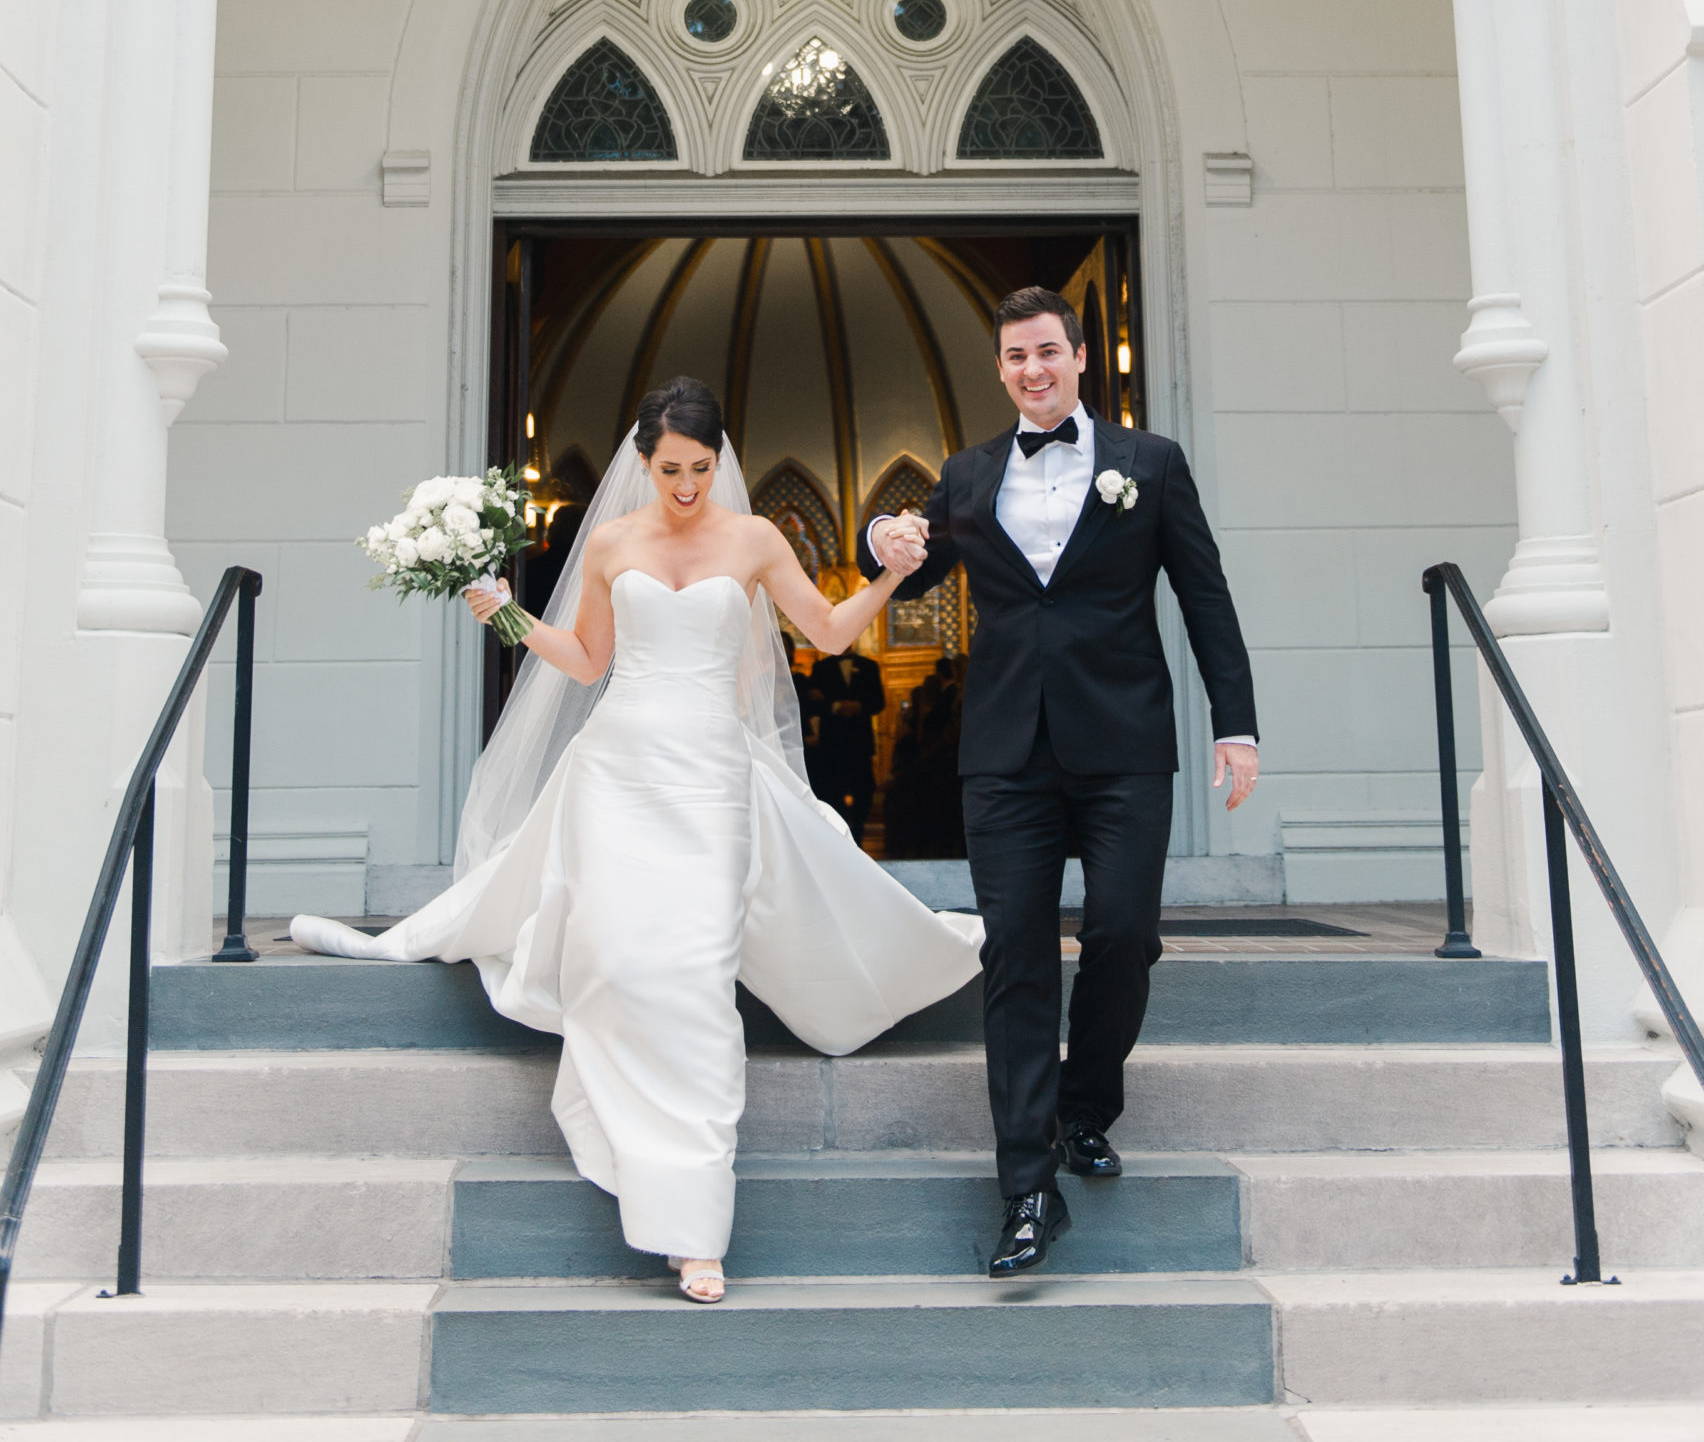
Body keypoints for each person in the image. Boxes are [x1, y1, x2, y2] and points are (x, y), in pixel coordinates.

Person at [292, 377, 980, 1306]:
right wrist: (503, 613)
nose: (688, 484)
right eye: (670, 468)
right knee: (616, 960)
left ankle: (695, 1228)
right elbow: (586, 660)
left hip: (710, 780)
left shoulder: (756, 539)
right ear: (644, 461)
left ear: (719, 460)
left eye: (701, 467)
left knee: (695, 976)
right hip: (618, 770)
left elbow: (827, 632)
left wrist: (892, 576)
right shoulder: (613, 543)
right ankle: (648, 1170)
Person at [864, 287, 1258, 1278]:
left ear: (1080, 357)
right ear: (999, 369)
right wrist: (886, 543)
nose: (1032, 370)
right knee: (1018, 956)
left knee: (1125, 932)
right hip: (1005, 756)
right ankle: (1029, 1188)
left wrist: (1236, 723)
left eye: (1047, 351)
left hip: (1125, 742)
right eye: (1014, 357)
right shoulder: (966, 473)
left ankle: (1087, 1104)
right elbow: (914, 577)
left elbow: (1204, 594)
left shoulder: (1149, 464)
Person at [807, 644, 886, 841]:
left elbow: (878, 701)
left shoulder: (869, 666)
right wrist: (836, 706)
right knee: (833, 791)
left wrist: (858, 706)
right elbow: (813, 702)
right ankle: (839, 835)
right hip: (832, 743)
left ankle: (858, 831)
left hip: (860, 741)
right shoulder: (821, 668)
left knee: (864, 790)